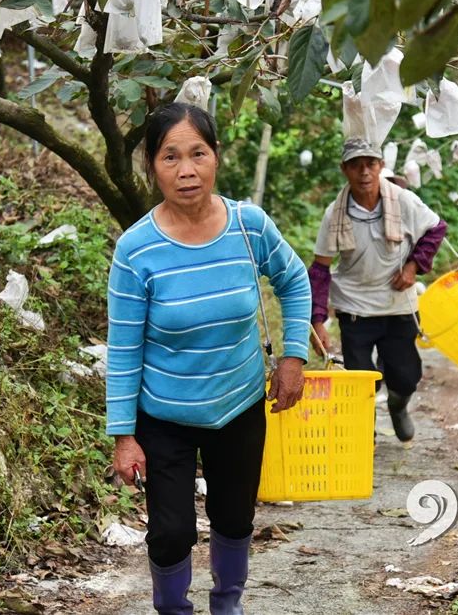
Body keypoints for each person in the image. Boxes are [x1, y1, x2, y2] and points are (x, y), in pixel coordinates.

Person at [106, 102, 311, 614]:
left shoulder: (249, 227)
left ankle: (227, 605)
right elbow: (125, 346)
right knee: (171, 533)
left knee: (235, 518)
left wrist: (293, 358)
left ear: (216, 156)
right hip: (165, 414)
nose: (186, 170)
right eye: (170, 157)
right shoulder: (137, 251)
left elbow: (295, 280)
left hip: (238, 403)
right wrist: (124, 436)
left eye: (198, 153)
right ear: (152, 167)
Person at [308, 138, 447, 443]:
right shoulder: (335, 213)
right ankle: (362, 434)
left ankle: (398, 406)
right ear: (345, 170)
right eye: (356, 166)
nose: (364, 172)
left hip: (398, 305)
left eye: (370, 164)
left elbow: (436, 229)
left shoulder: (404, 201)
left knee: (406, 375)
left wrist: (413, 267)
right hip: (355, 307)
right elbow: (320, 269)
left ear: (381, 166)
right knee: (360, 380)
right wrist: (317, 321)